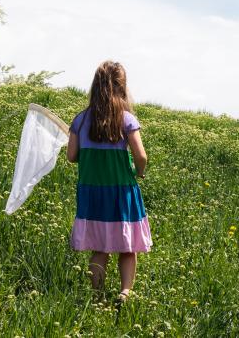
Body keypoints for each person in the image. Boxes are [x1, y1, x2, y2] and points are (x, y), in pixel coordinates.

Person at [66, 61, 152, 305]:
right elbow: (141, 156)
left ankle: (97, 295)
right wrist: (139, 172)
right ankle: (125, 291)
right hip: (122, 192)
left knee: (99, 247)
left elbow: (71, 157)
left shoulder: (81, 120)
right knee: (128, 248)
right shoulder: (126, 119)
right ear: (122, 87)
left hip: (92, 193)